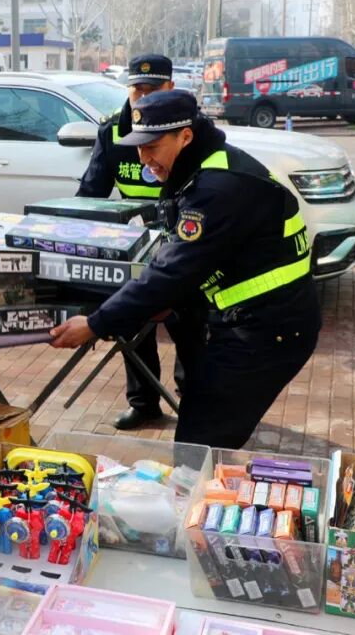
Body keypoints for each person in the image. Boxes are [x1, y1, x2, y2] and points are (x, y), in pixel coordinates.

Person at [50, 91, 321, 448]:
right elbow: (207, 259)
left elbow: (173, 270)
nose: (144, 159)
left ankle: (198, 484)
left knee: (200, 439)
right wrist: (169, 303)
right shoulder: (202, 168)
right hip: (251, 319)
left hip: (269, 328)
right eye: (139, 147)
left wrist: (96, 324)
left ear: (186, 137)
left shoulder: (216, 187)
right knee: (201, 425)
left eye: (152, 147)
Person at [77, 54, 206, 431]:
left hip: (185, 247)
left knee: (190, 328)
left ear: (170, 88)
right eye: (137, 90)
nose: (144, 97)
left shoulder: (188, 129)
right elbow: (91, 195)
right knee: (132, 323)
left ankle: (194, 402)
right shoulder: (112, 132)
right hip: (136, 249)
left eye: (153, 89)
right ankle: (144, 403)